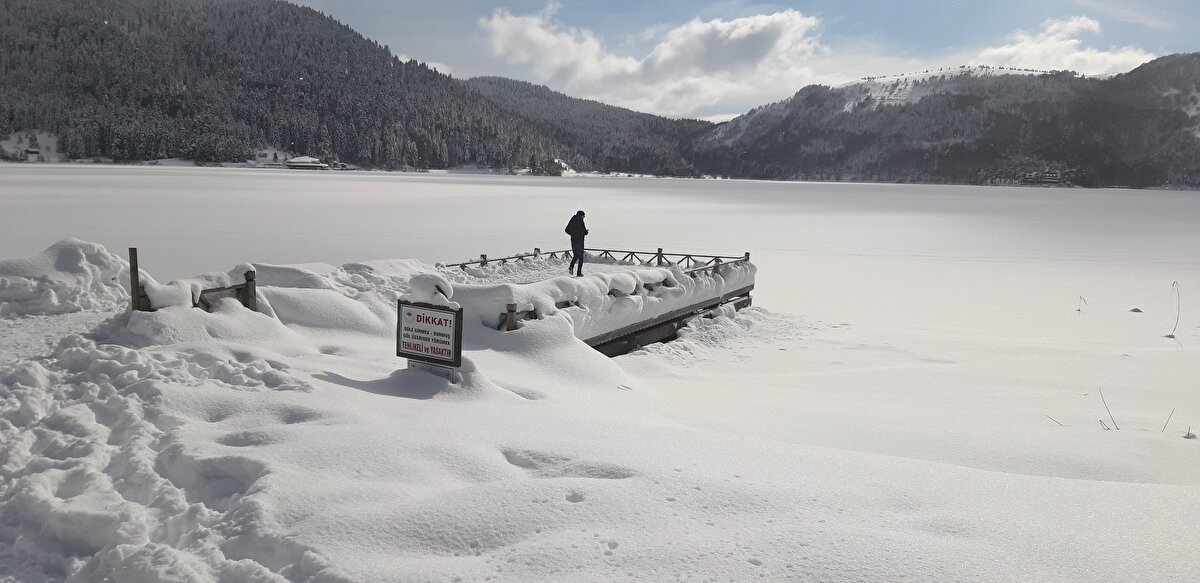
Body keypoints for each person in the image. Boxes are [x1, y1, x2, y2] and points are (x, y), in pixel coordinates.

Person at [565, 210, 588, 276]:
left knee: (576, 255)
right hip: (580, 241)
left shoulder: (572, 220)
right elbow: (584, 232)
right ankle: (579, 272)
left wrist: (573, 234)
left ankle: (571, 266)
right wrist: (586, 232)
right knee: (580, 257)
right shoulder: (581, 221)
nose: (584, 217)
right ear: (581, 215)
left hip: (573, 240)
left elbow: (566, 230)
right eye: (584, 216)